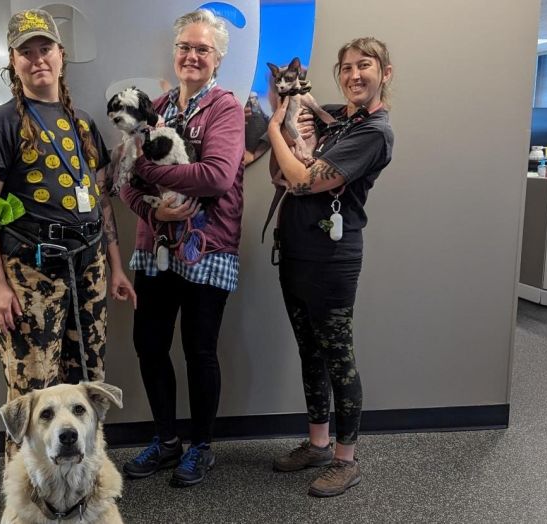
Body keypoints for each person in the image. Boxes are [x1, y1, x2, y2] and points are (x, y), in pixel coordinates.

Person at [0, 9, 135, 461]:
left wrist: (116, 266)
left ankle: (85, 481)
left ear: (61, 56)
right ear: (13, 61)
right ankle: (26, 492)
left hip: (89, 264)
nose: (38, 59)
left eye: (46, 49)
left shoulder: (82, 123)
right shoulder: (1, 124)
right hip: (32, 273)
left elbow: (101, 200)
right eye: (27, 52)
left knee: (88, 379)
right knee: (32, 392)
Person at [118, 8, 245, 487]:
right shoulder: (156, 108)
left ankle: (202, 447)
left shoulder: (227, 109)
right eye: (185, 47)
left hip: (208, 248)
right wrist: (154, 212)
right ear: (174, 54)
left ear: (217, 58)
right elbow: (125, 182)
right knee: (149, 345)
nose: (192, 55)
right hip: (156, 249)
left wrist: (149, 173)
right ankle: (167, 441)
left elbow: (216, 175)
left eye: (202, 49)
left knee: (199, 350)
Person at [266, 37, 394, 497]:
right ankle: (318, 443)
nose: (354, 75)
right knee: (309, 352)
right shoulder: (338, 117)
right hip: (296, 249)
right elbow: (282, 172)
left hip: (332, 260)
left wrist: (273, 133)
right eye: (346, 67)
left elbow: (300, 179)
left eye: (365, 66)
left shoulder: (374, 131)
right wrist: (281, 116)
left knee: (339, 357)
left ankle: (345, 459)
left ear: (385, 73)